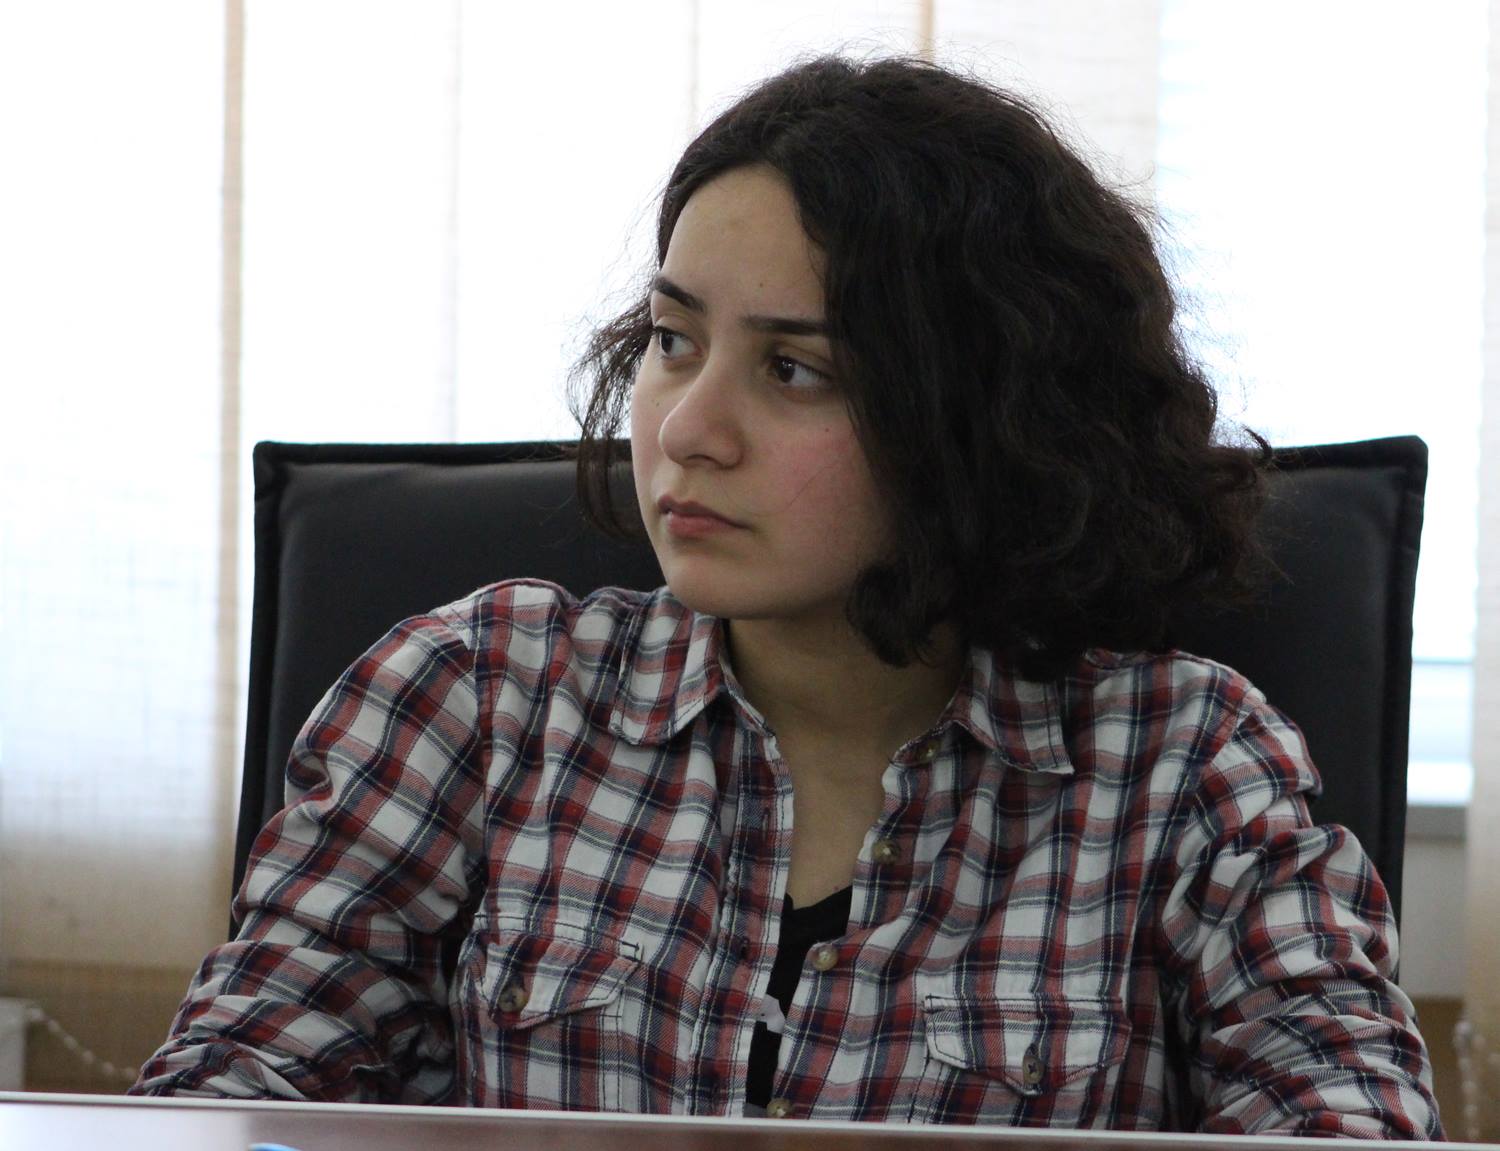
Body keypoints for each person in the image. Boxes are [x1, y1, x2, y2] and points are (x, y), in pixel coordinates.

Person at [132, 55, 1442, 1135]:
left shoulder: (1184, 765)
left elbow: (1346, 1121)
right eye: (673, 342)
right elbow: (226, 1101)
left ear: (984, 419)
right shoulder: (478, 695)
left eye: (795, 371)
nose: (686, 430)